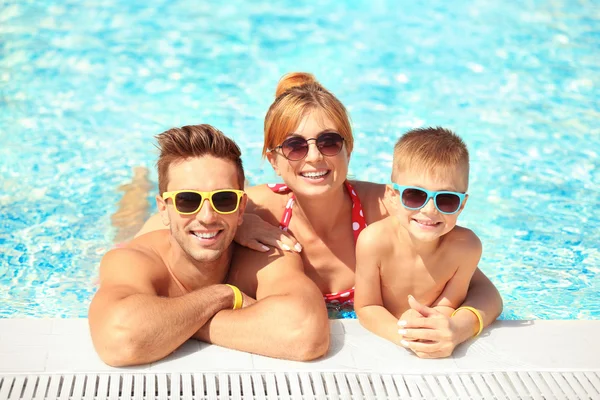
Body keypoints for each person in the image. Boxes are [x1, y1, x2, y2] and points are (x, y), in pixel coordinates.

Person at [138, 72, 503, 359]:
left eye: (329, 142)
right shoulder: (249, 207)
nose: (313, 158)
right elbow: (155, 234)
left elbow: (482, 288)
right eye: (294, 146)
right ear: (274, 161)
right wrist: (236, 222)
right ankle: (132, 190)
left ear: (348, 150)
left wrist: (460, 327)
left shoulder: (389, 208)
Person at [89, 124, 329, 367]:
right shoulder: (133, 259)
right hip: (135, 237)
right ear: (164, 209)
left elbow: (305, 333)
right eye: (187, 200)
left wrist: (173, 325)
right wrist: (223, 295)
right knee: (126, 220)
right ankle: (138, 182)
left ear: (241, 208)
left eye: (224, 199)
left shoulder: (265, 254)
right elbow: (118, 341)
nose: (207, 216)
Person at [354, 127, 484, 353]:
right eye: (415, 195)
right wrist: (404, 334)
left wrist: (433, 329)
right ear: (392, 196)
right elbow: (367, 306)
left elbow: (448, 304)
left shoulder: (466, 248)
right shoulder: (373, 241)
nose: (430, 210)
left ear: (462, 205)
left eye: (446, 199)